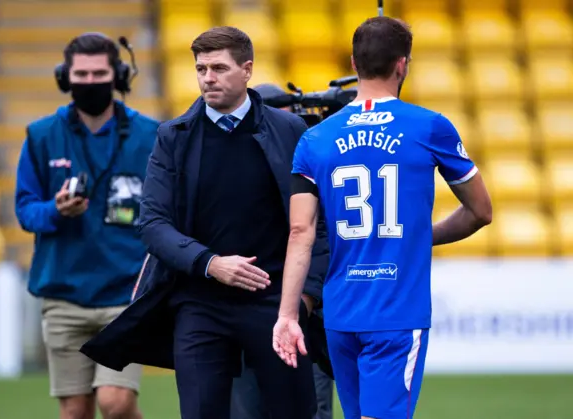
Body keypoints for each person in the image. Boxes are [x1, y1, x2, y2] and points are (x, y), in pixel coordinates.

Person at [80, 26, 329, 419]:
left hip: (276, 302)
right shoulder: (173, 136)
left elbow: (319, 223)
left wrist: (304, 298)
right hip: (199, 301)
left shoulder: (291, 131)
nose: (207, 78)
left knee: (296, 413)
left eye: (218, 68)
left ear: (247, 70)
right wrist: (211, 264)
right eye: (200, 68)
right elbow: (152, 223)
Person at [272, 16, 493, 419]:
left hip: (340, 315)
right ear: (402, 65)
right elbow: (481, 211)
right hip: (395, 313)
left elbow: (300, 232)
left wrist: (287, 315)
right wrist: (421, 237)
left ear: (354, 65)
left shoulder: (315, 138)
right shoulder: (430, 127)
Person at [14, 32, 158, 419]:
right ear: (65, 77)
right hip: (64, 295)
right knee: (75, 411)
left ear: (118, 75)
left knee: (116, 401)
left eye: (99, 73)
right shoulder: (41, 135)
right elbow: (25, 210)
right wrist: (56, 211)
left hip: (125, 294)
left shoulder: (152, 135)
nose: (90, 82)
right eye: (81, 74)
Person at [229, 82, 334, 419]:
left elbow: (324, 234)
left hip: (307, 319)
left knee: (309, 410)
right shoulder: (237, 165)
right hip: (248, 311)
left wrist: (304, 299)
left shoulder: (316, 160)